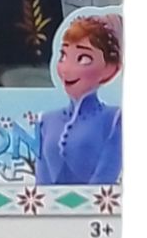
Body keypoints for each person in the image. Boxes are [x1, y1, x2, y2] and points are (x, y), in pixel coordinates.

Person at [36, 13, 122, 185]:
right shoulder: (46, 120)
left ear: (110, 69)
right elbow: (42, 183)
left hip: (95, 202)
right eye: (63, 56)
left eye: (83, 58)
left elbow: (104, 180)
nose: (67, 68)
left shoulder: (113, 119)